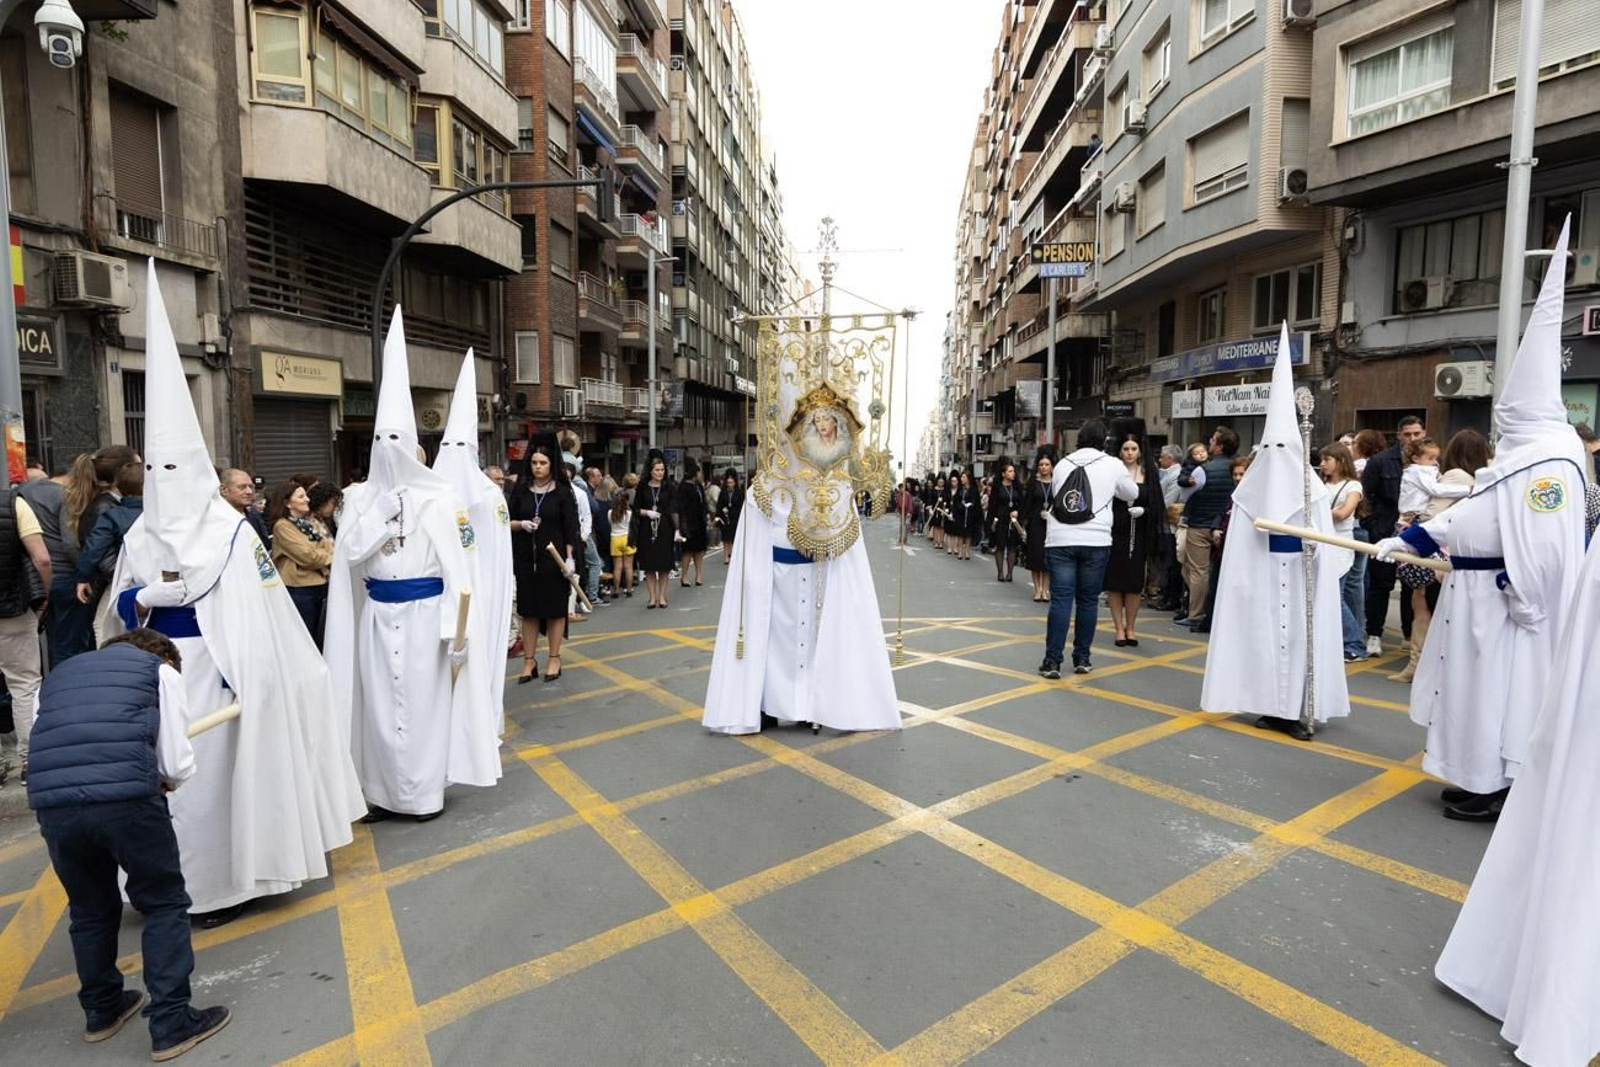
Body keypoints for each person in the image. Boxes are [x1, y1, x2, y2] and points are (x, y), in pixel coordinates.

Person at [106, 260, 364, 925]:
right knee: (168, 793)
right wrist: (142, 603)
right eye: (153, 467)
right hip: (156, 681)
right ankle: (175, 884)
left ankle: (228, 882)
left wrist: (241, 666)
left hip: (219, 681)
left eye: (174, 467)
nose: (164, 479)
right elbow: (118, 608)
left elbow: (262, 614)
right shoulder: (139, 534)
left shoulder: (233, 533)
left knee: (217, 788)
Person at [1375, 222, 1585, 821]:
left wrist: (1519, 596)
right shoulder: (1518, 461)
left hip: (1507, 609)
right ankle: (1473, 774)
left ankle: (1498, 785)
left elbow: (1544, 548)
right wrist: (1409, 536)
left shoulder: (1550, 469)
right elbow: (1471, 514)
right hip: (1472, 598)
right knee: (1467, 697)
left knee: (1500, 699)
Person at [26, 629, 232, 1061]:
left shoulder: (57, 677)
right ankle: (172, 1022)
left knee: (89, 908)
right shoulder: (159, 672)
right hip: (126, 802)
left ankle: (102, 1010)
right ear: (166, 657)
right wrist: (164, 783)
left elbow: (45, 743)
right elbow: (175, 762)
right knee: (162, 902)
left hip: (53, 805)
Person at [325, 307, 492, 823]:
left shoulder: (442, 501)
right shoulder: (358, 499)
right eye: (381, 442)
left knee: (421, 707)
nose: (390, 453)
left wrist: (455, 630)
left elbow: (461, 570)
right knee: (377, 708)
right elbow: (348, 556)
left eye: (398, 441)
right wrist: (379, 517)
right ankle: (379, 792)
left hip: (425, 618)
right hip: (377, 616)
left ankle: (422, 794)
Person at [1200, 326, 1351, 739]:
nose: (1277, 459)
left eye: (1284, 451)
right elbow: (1239, 553)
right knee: (1263, 643)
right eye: (1270, 450)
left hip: (1302, 575)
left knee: (1301, 642)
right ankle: (1269, 704)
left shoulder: (1313, 491)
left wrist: (1314, 551)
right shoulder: (1249, 494)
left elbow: (1326, 539)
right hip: (1263, 578)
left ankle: (1296, 708)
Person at [434, 353, 516, 740]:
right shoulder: (429, 492)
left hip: (480, 595)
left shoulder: (491, 496)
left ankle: (481, 724)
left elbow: (498, 557)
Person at [1038, 418, 1138, 678]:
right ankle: (1082, 658)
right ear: (1104, 440)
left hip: (1060, 539)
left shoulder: (1062, 464)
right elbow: (1131, 494)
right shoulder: (1113, 465)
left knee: (1060, 600)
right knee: (1087, 600)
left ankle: (1052, 661)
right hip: (1095, 540)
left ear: (1079, 439)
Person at [1389, 436, 1470, 683]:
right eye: (1432, 458)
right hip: (1439, 544)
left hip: (1431, 543)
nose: (1436, 464)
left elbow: (1433, 515)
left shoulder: (1454, 477)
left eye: (1438, 458)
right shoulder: (1427, 474)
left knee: (1422, 604)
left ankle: (1419, 664)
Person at [508, 437, 581, 684]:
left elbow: (571, 527)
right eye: (534, 462)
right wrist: (520, 524)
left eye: (543, 463)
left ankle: (554, 657)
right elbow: (505, 520)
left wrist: (570, 559)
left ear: (552, 465)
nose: (537, 467)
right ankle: (529, 660)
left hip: (555, 560)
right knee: (528, 611)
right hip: (527, 559)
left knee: (554, 611)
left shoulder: (562, 492)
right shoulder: (520, 491)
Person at [0, 478, 50, 786]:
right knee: (24, 685)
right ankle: (30, 760)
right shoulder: (14, 504)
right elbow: (42, 558)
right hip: (12, 610)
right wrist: (44, 598)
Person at [1361, 415, 1425, 654]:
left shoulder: (1431, 461)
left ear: (1424, 433)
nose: (1412, 438)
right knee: (1381, 584)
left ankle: (1409, 635)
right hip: (1385, 531)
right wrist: (1373, 527)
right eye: (1407, 434)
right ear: (1398, 435)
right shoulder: (1380, 462)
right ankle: (1374, 635)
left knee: (1414, 586)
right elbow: (1366, 495)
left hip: (1417, 532)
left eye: (1416, 433)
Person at [73, 461, 146, 650]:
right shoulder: (165, 514)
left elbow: (93, 547)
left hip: (125, 579)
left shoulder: (113, 515)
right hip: (161, 579)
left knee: (103, 623)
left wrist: (83, 577)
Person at [1175, 428, 1240, 630]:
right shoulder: (1240, 467)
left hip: (1201, 524)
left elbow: (1185, 496)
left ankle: (1196, 613)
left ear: (1219, 446)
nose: (1209, 443)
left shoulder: (1203, 470)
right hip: (1228, 525)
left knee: (1198, 571)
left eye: (1212, 440)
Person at [1105, 436, 1163, 647]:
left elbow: (1157, 505)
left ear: (1140, 451)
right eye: (1126, 448)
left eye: (1133, 448)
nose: (1129, 452)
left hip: (1139, 532)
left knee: (1134, 583)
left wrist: (1144, 510)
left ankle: (1131, 627)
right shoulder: (1112, 472)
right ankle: (1119, 628)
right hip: (1115, 531)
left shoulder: (1149, 473)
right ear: (1119, 451)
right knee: (1114, 582)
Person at [267, 480, 333, 648]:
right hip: (300, 589)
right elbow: (308, 556)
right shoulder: (282, 527)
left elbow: (330, 547)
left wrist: (323, 554)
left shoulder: (309, 523)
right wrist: (328, 558)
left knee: (320, 638)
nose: (307, 500)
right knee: (304, 639)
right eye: (301, 496)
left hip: (320, 584)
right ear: (287, 502)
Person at [1318, 443, 1367, 663]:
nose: (1322, 464)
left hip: (1340, 545)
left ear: (1340, 460)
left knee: (1334, 597)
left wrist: (1319, 515)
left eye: (1327, 460)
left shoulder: (1353, 486)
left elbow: (1345, 512)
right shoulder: (1321, 484)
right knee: (1328, 596)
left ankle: (1355, 644)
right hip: (1321, 543)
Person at [631, 456, 679, 609]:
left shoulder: (669, 487)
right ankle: (652, 597)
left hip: (664, 527)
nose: (660, 473)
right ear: (650, 471)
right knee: (649, 565)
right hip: (647, 528)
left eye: (662, 470)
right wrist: (646, 512)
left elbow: (674, 508)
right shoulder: (643, 487)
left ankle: (663, 596)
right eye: (657, 470)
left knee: (664, 565)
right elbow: (635, 509)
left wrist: (677, 529)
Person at [1152, 444, 1185, 611]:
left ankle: (1171, 597)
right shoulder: (1169, 474)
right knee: (1166, 562)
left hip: (1170, 525)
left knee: (1170, 563)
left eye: (1162, 457)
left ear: (1170, 459)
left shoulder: (1175, 475)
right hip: (1164, 525)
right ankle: (1167, 595)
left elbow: (1167, 502)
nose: (1160, 459)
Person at [1024, 449, 1053, 603]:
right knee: (1036, 556)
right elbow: (1027, 503)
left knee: (1047, 557)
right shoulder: (1033, 483)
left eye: (1047, 464)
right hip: (1036, 523)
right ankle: (1037, 589)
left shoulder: (1056, 483)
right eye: (1041, 464)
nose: (1044, 467)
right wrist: (1024, 522)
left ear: (1052, 467)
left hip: (1051, 524)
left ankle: (1046, 589)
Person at [986, 458, 1022, 582]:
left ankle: (1010, 573)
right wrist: (993, 521)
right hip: (1000, 519)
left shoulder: (1017, 487)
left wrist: (1018, 511)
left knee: (1012, 547)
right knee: (1000, 546)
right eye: (1010, 471)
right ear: (1003, 474)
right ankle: (1000, 572)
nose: (1013, 473)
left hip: (1013, 520)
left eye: (1013, 471)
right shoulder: (998, 487)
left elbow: (1021, 503)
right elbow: (992, 505)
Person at [218, 469, 272, 552]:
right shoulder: (214, 520)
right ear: (224, 489)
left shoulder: (254, 516)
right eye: (242, 487)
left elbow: (264, 546)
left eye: (251, 487)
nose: (249, 492)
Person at [678, 458, 711, 587]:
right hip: (688, 523)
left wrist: (706, 516)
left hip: (699, 522)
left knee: (699, 551)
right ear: (694, 473)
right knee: (687, 551)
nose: (701, 474)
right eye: (699, 472)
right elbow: (681, 507)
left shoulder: (699, 486)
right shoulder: (683, 487)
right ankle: (684, 576)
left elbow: (704, 503)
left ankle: (699, 575)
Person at [609, 490, 636, 597]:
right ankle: (629, 589)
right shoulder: (629, 514)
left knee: (617, 567)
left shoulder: (610, 513)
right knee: (628, 567)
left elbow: (610, 524)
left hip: (615, 539)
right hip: (626, 538)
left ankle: (616, 590)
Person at [715, 469, 743, 563]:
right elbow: (719, 505)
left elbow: (741, 505)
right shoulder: (723, 492)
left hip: (736, 517)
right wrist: (718, 517)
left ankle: (734, 556)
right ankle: (726, 557)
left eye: (731, 482)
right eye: (728, 482)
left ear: (735, 482)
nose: (729, 484)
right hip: (725, 518)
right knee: (726, 538)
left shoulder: (739, 493)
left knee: (735, 537)